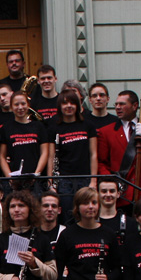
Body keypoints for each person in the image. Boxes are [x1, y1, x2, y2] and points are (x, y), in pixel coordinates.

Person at [49, 89, 99, 220]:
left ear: (78, 105)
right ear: (59, 106)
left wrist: (93, 181)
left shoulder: (88, 125)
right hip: (64, 180)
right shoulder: (54, 128)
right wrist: (50, 182)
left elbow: (93, 154)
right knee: (67, 215)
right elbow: (51, 156)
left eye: (72, 103)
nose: (69, 106)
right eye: (65, 103)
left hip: (85, 177)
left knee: (86, 214)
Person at [0, 91, 49, 182]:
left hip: (36, 179)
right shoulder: (6, 128)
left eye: (23, 103)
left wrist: (36, 175)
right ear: (11, 107)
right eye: (16, 104)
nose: (20, 107)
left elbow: (44, 153)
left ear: (28, 105)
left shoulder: (39, 126)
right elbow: (2, 156)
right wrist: (10, 178)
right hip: (15, 178)